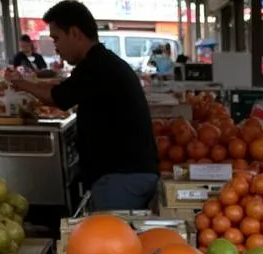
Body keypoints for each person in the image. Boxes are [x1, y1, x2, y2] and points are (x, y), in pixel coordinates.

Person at [9, 1, 158, 212]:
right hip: (125, 175)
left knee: (109, 242)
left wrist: (21, 84)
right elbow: (65, 89)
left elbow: (58, 97)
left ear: (75, 33)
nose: (56, 47)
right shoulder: (100, 63)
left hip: (121, 179)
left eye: (57, 38)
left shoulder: (96, 66)